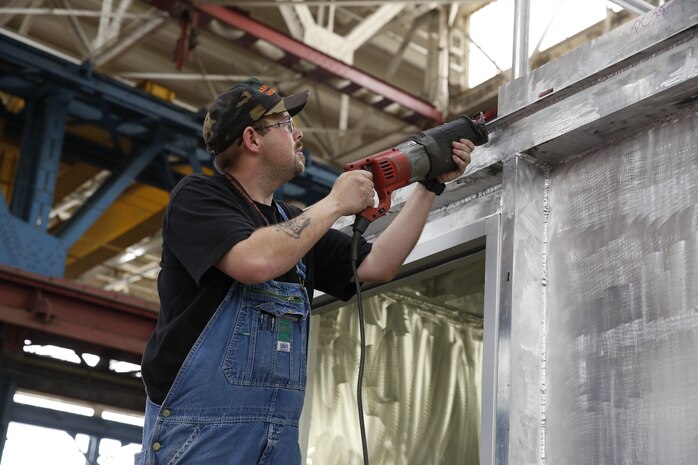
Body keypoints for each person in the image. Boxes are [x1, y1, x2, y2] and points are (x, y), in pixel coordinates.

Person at [135, 78, 474, 465]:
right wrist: (334, 203)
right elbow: (253, 261)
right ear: (252, 138)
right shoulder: (198, 197)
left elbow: (378, 265)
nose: (298, 135)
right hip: (202, 438)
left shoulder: (293, 224)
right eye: (284, 123)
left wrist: (429, 187)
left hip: (278, 440)